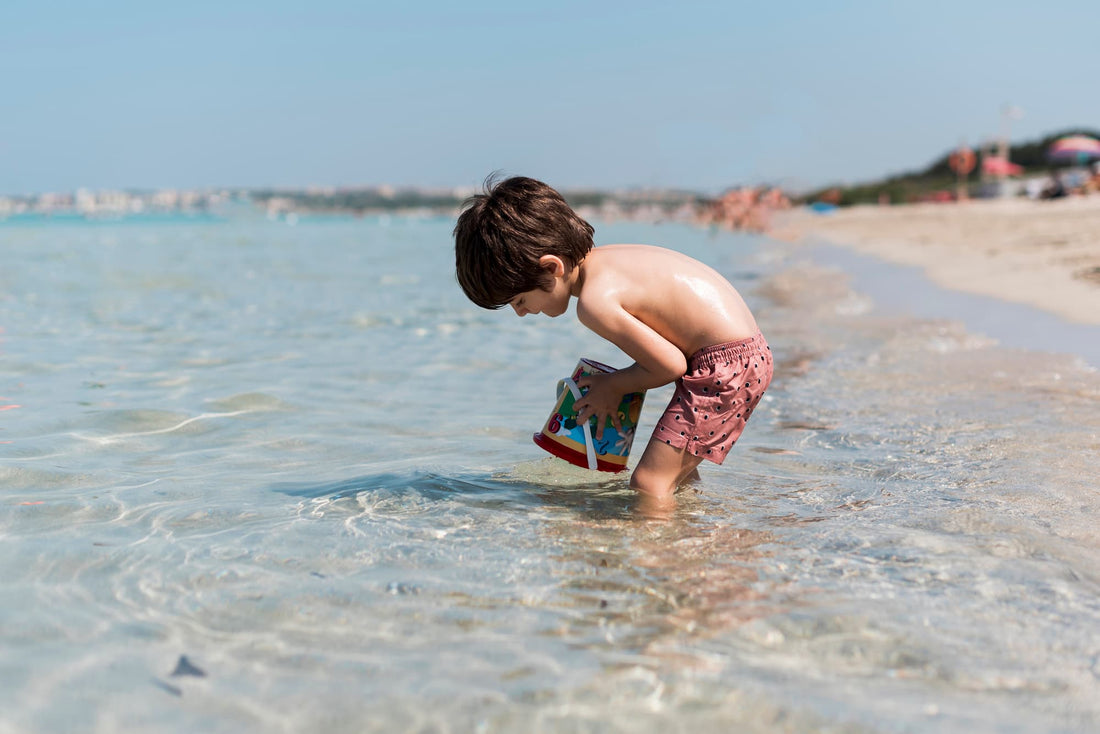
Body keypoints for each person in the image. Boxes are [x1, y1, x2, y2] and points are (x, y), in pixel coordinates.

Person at [454, 176, 772, 513]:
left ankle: (662, 558)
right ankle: (690, 533)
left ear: (551, 267)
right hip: (737, 355)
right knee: (672, 473)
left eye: (518, 300)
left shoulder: (594, 303)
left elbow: (669, 364)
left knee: (649, 483)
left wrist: (613, 386)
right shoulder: (608, 261)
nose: (520, 313)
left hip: (726, 366)